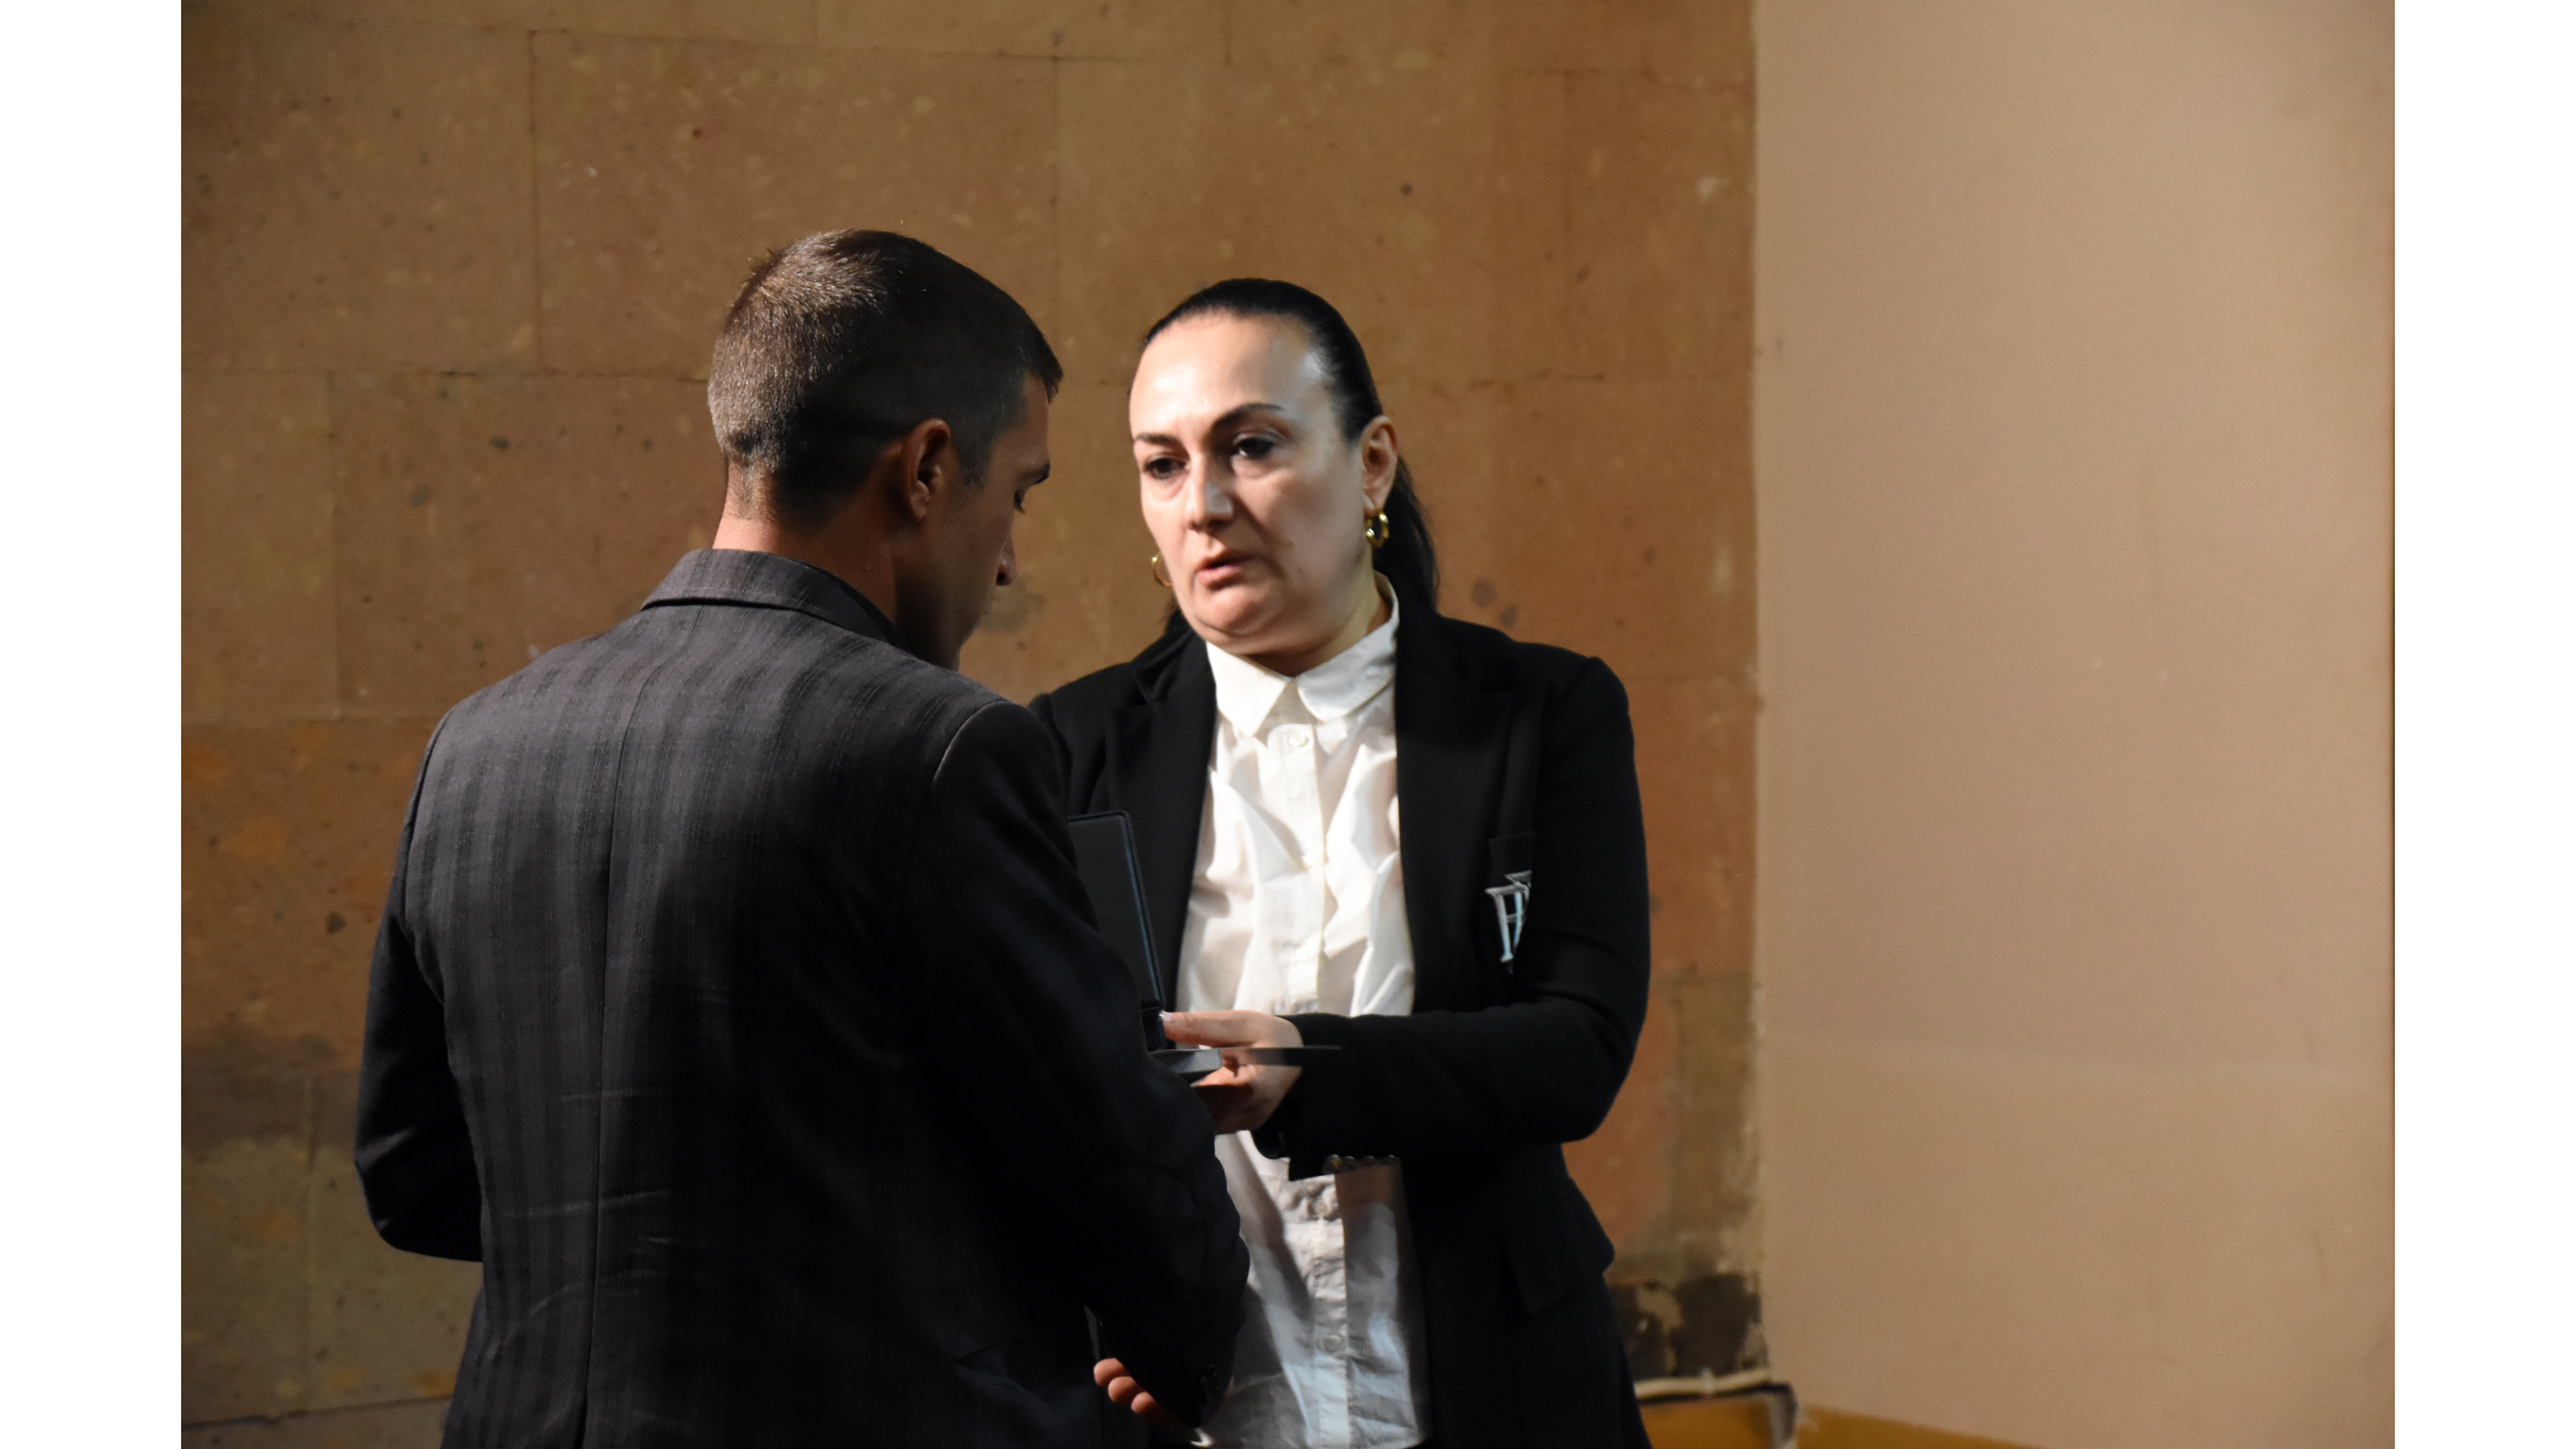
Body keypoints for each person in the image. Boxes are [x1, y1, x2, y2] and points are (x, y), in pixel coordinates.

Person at [354, 231, 1246, 1448]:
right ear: (927, 468)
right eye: (1018, 493)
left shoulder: (472, 744)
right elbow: (1120, 1174)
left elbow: (413, 1176)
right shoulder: (942, 749)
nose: (1008, 558)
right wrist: (1188, 1360)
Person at [1030, 281, 1653, 1449]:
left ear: (1373, 464)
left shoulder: (1542, 712)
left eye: (1252, 446)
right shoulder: (1069, 746)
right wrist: (1095, 1325)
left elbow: (1579, 1047)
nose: (1203, 504)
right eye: (1162, 465)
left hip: (1498, 1383)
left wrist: (1309, 1068)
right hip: (1211, 1402)